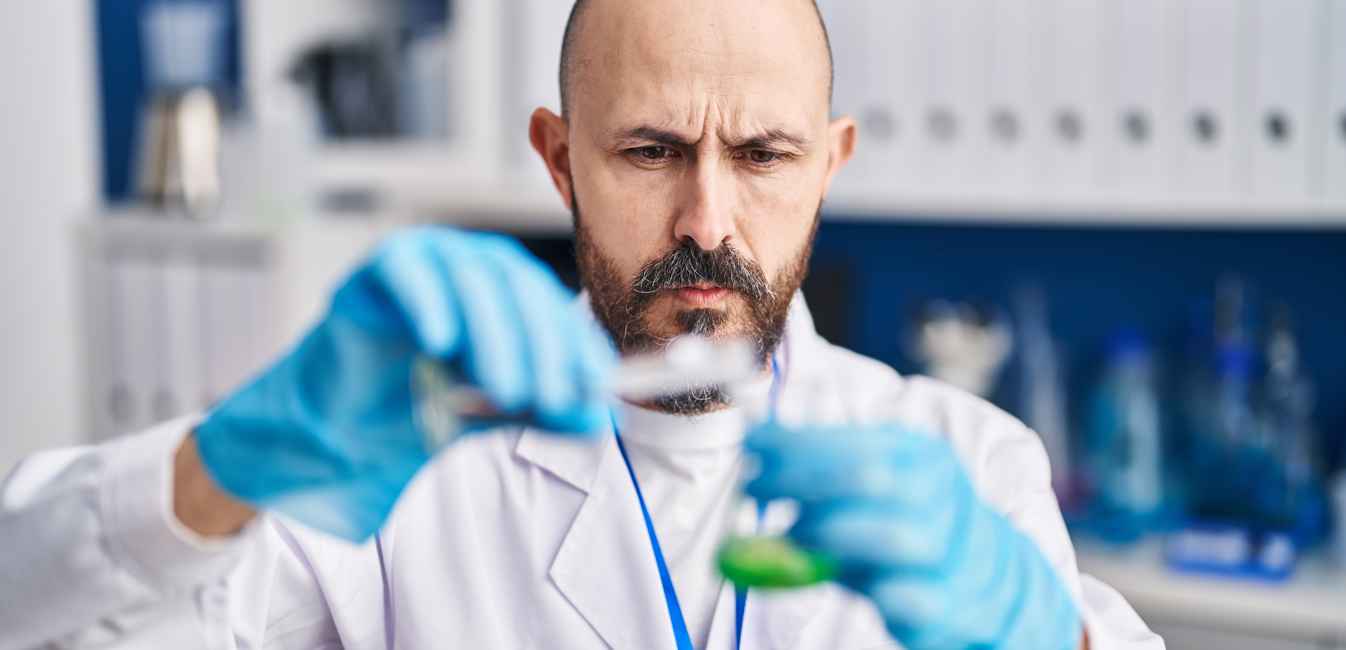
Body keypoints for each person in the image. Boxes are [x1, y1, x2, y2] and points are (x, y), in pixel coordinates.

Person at [0, 1, 1164, 648]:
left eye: (762, 154)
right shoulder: (405, 469)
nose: (705, 219)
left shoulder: (968, 462)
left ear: (828, 165)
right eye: (648, 151)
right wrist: (228, 462)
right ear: (558, 160)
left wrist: (1039, 638)